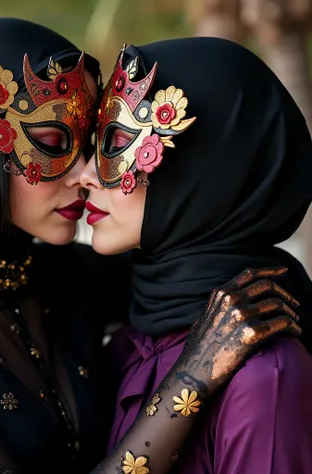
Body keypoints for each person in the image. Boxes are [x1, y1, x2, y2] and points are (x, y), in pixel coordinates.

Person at [0, 18, 300, 474]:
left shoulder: (75, 278)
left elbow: (200, 235)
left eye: (95, 144)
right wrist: (191, 382)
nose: (85, 173)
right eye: (53, 142)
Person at [81, 37, 312, 473]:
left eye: (120, 143)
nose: (88, 175)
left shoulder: (264, 376)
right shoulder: (131, 343)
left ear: (203, 168)